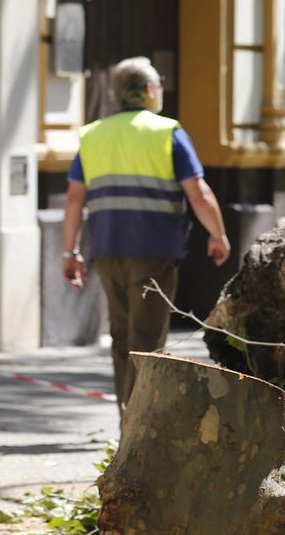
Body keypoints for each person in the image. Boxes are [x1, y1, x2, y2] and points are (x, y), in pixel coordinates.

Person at [61, 57, 231, 409]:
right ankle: (140, 422)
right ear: (150, 90)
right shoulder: (166, 132)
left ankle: (127, 418)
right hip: (154, 249)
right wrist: (217, 233)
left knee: (121, 336)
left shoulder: (93, 135)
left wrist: (69, 251)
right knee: (148, 340)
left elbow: (75, 198)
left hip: (107, 250)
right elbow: (198, 193)